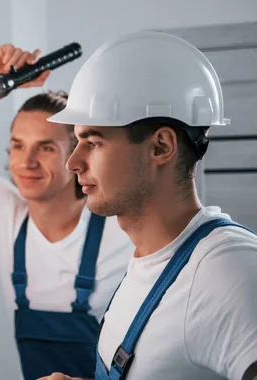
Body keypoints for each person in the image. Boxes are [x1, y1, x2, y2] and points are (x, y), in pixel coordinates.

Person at [39, 30, 257, 380]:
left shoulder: (227, 271)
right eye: (78, 141)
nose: (73, 162)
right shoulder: (150, 260)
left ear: (160, 148)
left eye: (93, 142)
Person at [0, 44, 135, 380]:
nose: (27, 162)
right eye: (18, 145)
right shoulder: (2, 210)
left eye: (46, 148)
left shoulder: (123, 230)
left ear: (77, 156)